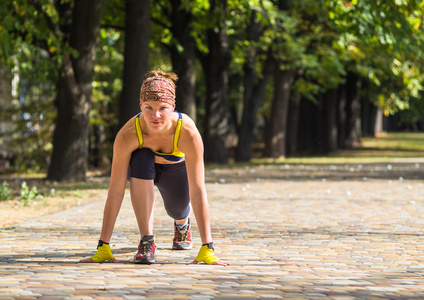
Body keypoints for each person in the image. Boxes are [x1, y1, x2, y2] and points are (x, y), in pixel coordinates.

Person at [80, 69, 229, 266]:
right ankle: (147, 241)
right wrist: (103, 246)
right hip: (143, 170)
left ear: (173, 106)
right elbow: (115, 190)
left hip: (175, 171)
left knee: (177, 209)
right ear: (140, 105)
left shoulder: (187, 132)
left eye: (163, 108)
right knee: (142, 156)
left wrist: (207, 248)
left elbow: (198, 191)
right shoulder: (128, 134)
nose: (155, 115)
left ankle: (182, 225)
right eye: (148, 107)